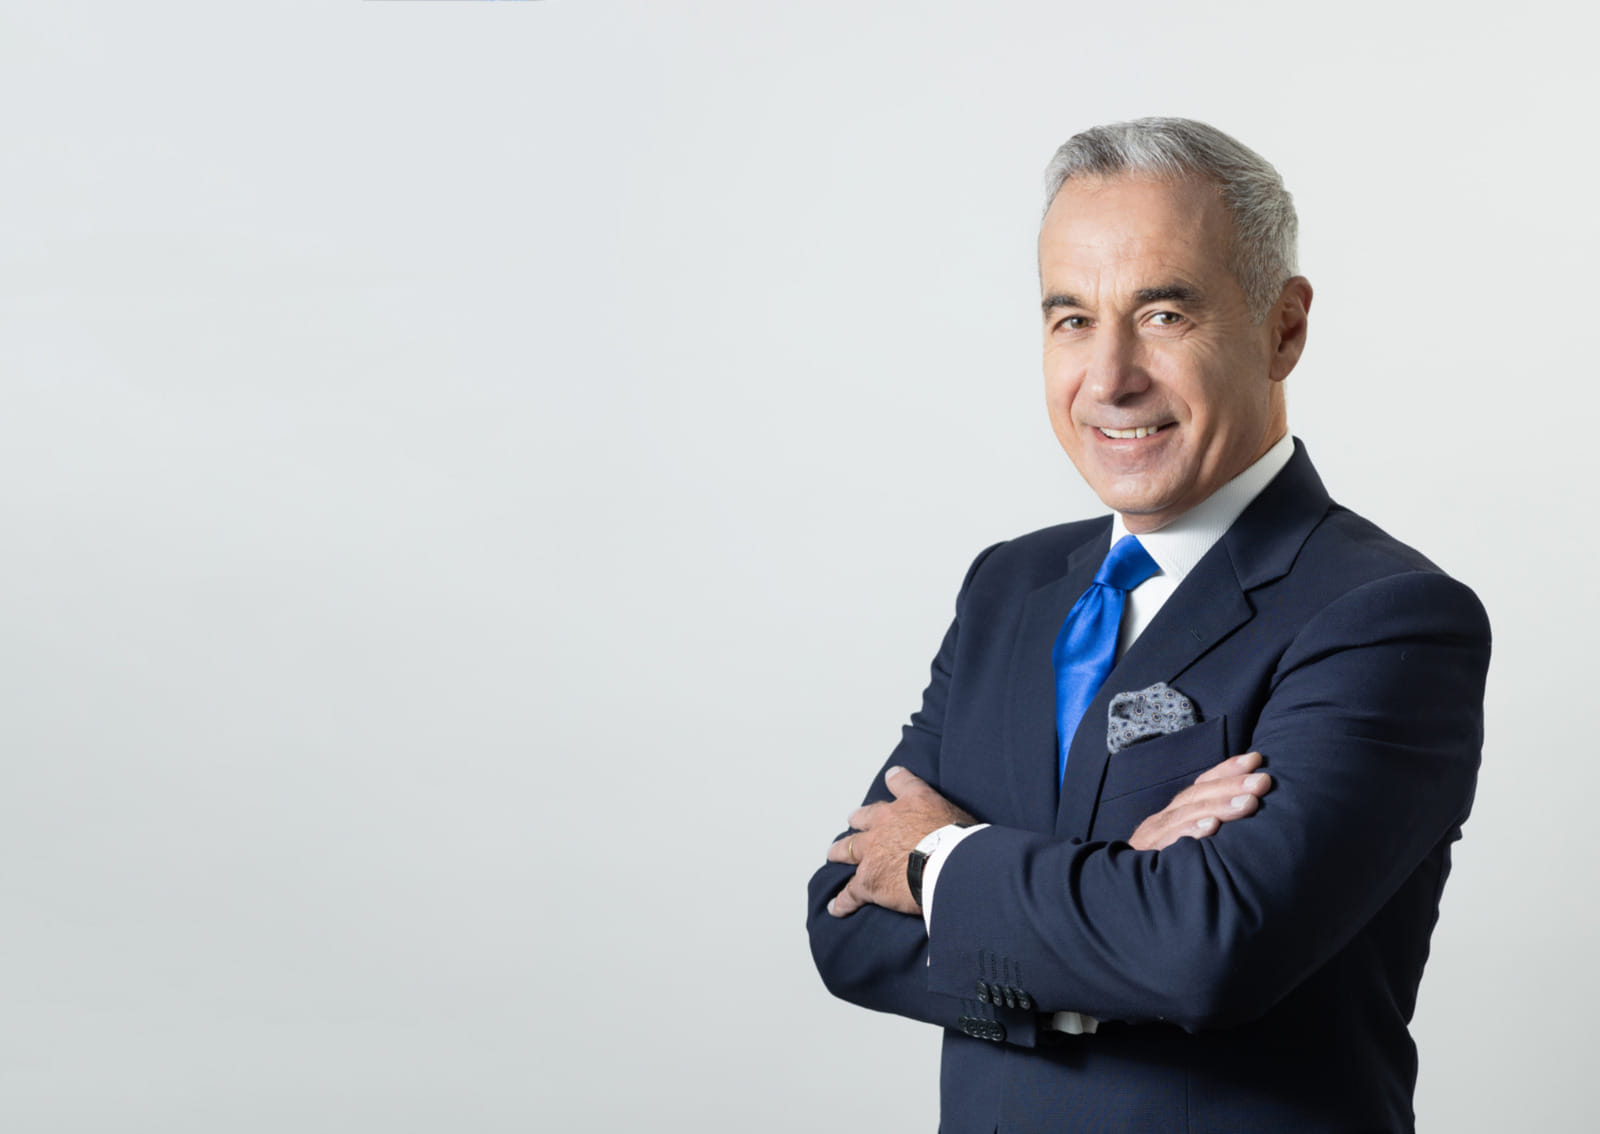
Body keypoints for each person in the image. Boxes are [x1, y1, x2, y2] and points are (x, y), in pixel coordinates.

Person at [805, 118, 1491, 1134]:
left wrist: (937, 862)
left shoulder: (1385, 617)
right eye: (1072, 318)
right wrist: (1119, 907)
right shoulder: (1009, 587)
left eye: (1164, 314)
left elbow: (1208, 951)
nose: (1109, 376)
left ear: (1283, 329)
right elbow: (844, 920)